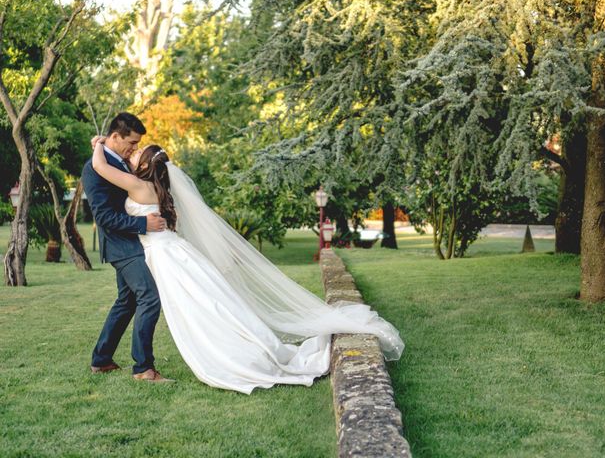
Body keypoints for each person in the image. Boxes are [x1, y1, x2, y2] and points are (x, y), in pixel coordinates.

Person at [90, 135, 404, 394]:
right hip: (171, 253)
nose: (133, 155)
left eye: (137, 153)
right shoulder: (159, 189)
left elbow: (100, 167)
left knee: (198, 310)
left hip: (164, 256)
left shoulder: (137, 186)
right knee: (209, 306)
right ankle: (125, 360)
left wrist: (98, 144)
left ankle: (149, 366)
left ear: (145, 166)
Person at [82, 112, 172, 383]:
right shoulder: (93, 169)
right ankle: (144, 369)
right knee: (149, 297)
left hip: (134, 243)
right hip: (123, 246)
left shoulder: (117, 161)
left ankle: (102, 360)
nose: (134, 148)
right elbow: (104, 217)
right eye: (131, 142)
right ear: (115, 136)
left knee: (127, 301)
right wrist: (143, 223)